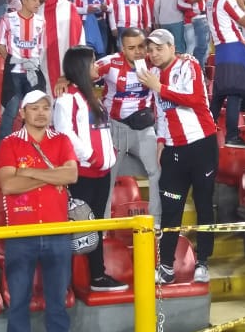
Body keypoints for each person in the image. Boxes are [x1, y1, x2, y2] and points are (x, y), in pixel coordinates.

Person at [0, 90, 78, 332]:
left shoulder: (62, 140)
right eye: (34, 108)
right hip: (21, 234)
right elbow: (8, 184)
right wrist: (53, 177)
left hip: (57, 232)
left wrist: (29, 172)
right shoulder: (9, 143)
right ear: (22, 113)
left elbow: (72, 174)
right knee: (18, 301)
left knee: (57, 300)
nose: (41, 112)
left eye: (46, 107)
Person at [139, 29, 218, 284]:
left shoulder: (189, 63)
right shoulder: (154, 75)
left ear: (172, 47)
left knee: (204, 203)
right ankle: (166, 266)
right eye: (150, 49)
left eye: (159, 48)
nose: (154, 53)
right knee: (171, 207)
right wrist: (161, 141)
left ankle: (203, 261)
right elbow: (161, 113)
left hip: (201, 145)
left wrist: (159, 87)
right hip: (174, 151)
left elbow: (194, 98)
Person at [52, 46, 127, 292]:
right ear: (81, 67)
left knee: (95, 225)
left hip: (102, 173)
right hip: (83, 174)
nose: (97, 66)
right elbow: (65, 135)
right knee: (79, 226)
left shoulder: (90, 96)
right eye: (93, 62)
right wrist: (93, 157)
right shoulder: (67, 99)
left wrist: (110, 155)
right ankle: (67, 281)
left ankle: (97, 276)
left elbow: (101, 132)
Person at [93, 28, 162, 220]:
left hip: (144, 128)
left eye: (141, 46)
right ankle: (104, 225)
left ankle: (156, 223)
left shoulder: (153, 62)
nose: (138, 51)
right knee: (108, 178)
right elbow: (84, 74)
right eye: (132, 48)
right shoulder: (110, 63)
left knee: (157, 171)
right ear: (122, 48)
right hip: (115, 128)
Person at [208, 0, 245, 148]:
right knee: (235, 92)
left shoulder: (211, 0)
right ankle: (232, 136)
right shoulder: (228, 1)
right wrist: (241, 3)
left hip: (221, 49)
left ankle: (206, 130)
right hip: (233, 48)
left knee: (220, 94)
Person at [0, 0, 47, 140]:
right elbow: (0, 45)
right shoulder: (7, 19)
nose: (38, 3)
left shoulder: (41, 21)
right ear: (24, 1)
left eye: (39, 0)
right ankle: (4, 147)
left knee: (35, 110)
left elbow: (41, 46)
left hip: (33, 70)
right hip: (14, 72)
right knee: (11, 111)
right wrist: (14, 61)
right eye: (34, 0)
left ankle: (33, 144)